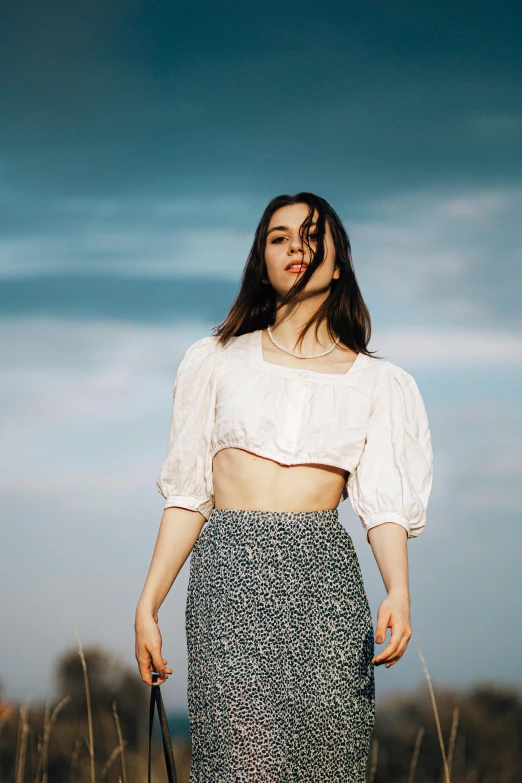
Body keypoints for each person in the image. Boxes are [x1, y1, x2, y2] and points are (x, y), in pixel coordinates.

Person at [134, 192, 434, 782]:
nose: (296, 246)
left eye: (311, 234)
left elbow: (384, 506)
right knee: (238, 763)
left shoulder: (381, 382)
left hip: (325, 577)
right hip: (231, 574)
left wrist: (398, 590)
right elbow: (189, 494)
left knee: (329, 763)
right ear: (261, 260)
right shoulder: (215, 359)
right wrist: (149, 603)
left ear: (338, 262)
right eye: (279, 237)